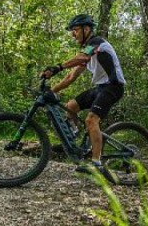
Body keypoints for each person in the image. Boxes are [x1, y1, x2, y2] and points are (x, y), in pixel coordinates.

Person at [41, 14, 126, 183]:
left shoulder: (97, 43)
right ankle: (80, 140)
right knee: (71, 106)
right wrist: (51, 90)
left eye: (75, 30)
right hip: (101, 87)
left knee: (91, 119)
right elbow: (71, 77)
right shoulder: (88, 52)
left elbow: (82, 57)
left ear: (86, 29)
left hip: (113, 86)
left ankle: (96, 163)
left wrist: (57, 67)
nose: (73, 34)